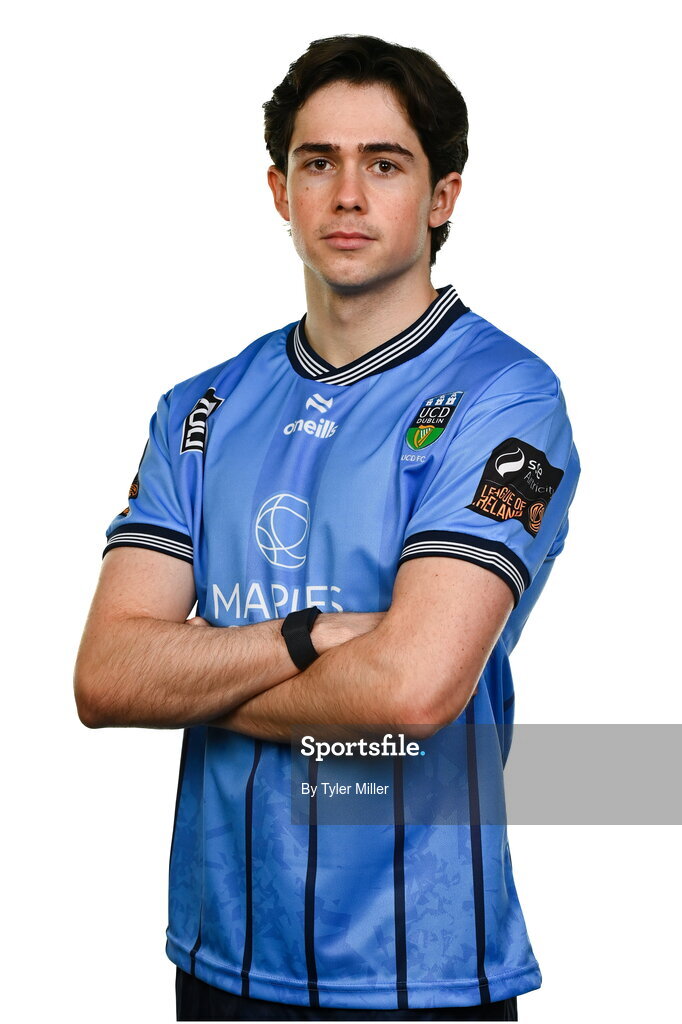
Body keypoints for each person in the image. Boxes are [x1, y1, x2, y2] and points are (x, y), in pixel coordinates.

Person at [74, 34, 580, 1022]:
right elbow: (103, 677)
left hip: (423, 970)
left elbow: (411, 687)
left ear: (442, 196)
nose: (347, 195)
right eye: (318, 162)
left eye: (383, 163)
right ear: (279, 189)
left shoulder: (504, 396)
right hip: (220, 958)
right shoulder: (199, 407)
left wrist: (187, 679)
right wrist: (306, 637)